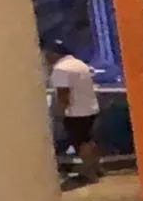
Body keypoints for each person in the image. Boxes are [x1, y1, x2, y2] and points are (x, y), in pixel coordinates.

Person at [42, 39, 102, 184]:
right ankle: (97, 168)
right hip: (90, 109)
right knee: (88, 141)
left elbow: (64, 95)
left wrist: (58, 114)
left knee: (80, 143)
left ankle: (89, 174)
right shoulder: (79, 64)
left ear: (53, 54)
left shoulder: (61, 69)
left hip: (76, 113)